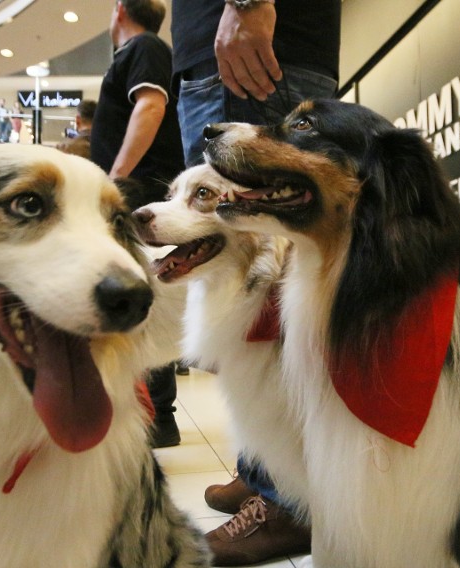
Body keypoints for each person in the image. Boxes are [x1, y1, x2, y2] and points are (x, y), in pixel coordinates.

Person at [171, 0, 341, 564]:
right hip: (239, 49)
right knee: (253, 289)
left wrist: (247, 4)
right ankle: (264, 468)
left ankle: (289, 499)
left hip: (253, 43)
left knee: (270, 277)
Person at [90, 0, 184, 448]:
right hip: (136, 190)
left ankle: (156, 414)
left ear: (120, 9)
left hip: (138, 190)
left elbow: (150, 106)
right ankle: (151, 413)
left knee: (146, 296)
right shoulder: (141, 51)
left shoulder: (143, 46)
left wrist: (115, 179)